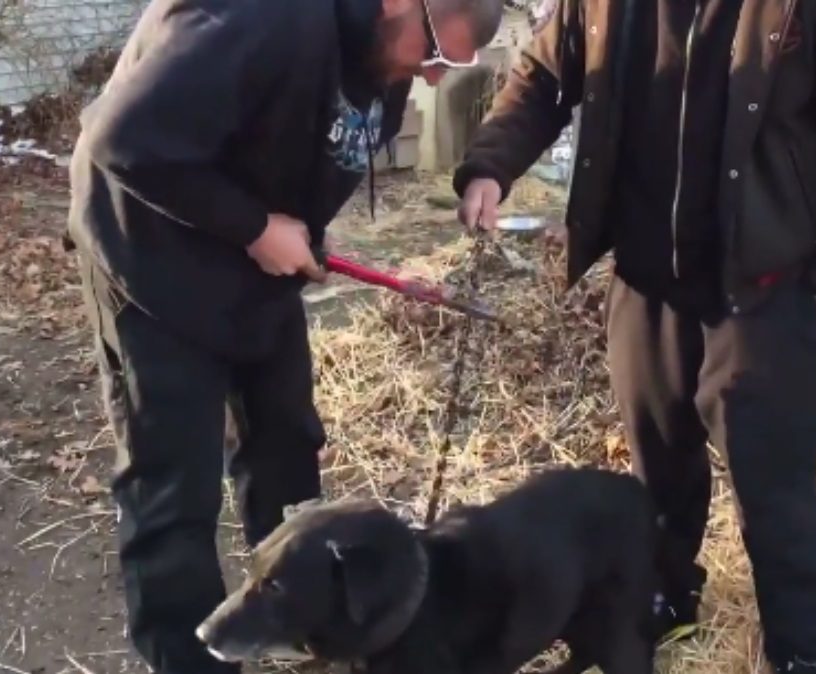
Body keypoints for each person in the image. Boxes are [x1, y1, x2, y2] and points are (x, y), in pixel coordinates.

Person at [453, 0, 816, 672]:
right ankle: (662, 601)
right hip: (645, 277)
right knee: (657, 472)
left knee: (775, 487)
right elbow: (543, 77)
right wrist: (490, 163)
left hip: (763, 286)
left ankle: (805, 649)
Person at [64, 0, 502, 671]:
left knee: (287, 446)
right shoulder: (260, 16)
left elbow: (293, 145)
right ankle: (191, 658)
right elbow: (121, 140)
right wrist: (255, 228)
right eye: (437, 55)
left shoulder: (382, 50)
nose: (436, 79)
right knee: (174, 489)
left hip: (250, 267)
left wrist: (300, 240)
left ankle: (302, 627)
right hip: (151, 263)